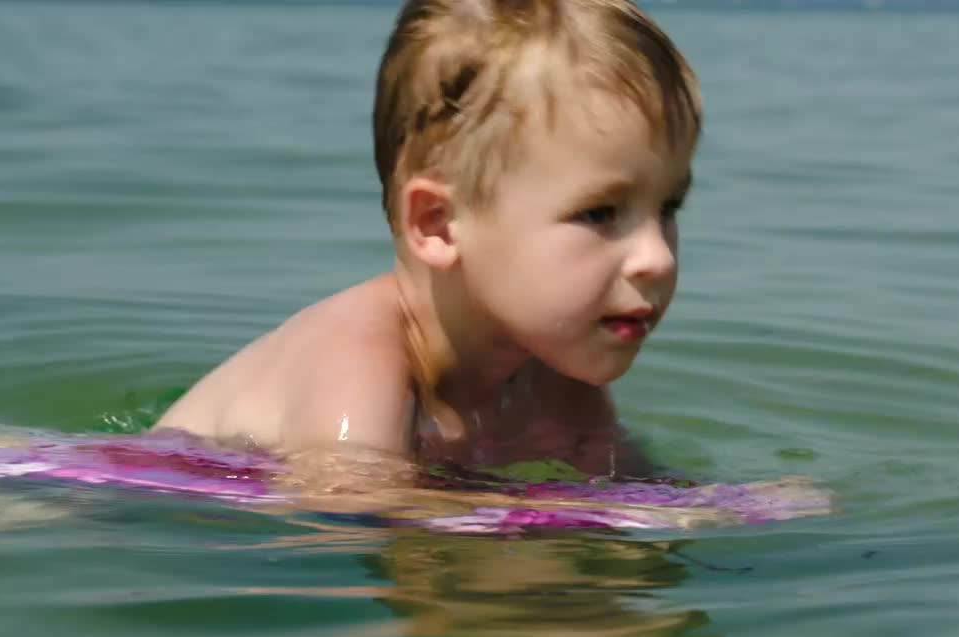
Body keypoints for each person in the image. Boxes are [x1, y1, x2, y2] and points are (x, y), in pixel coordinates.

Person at [156, 0, 700, 478]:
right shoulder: (359, 362)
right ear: (437, 224)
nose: (658, 258)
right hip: (134, 507)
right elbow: (350, 513)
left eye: (669, 208)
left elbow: (635, 489)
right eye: (600, 213)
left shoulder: (557, 382)